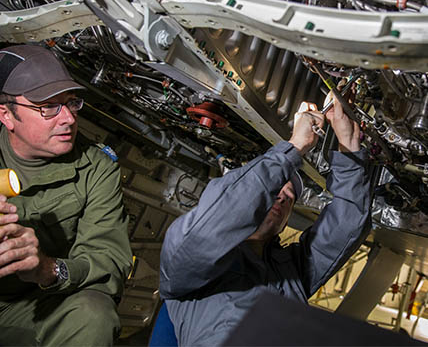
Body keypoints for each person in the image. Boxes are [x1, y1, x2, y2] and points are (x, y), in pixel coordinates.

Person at [159, 95, 372, 346]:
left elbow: (347, 224)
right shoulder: (186, 263)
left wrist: (348, 146)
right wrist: (295, 147)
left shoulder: (290, 270)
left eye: (289, 197)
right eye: (275, 190)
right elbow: (218, 219)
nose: (282, 197)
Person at [0, 45, 133, 346]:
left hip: (31, 309)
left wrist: (45, 269)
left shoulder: (95, 168)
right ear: (6, 115)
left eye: (71, 103)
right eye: (48, 107)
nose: (69, 119)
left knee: (93, 313)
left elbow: (107, 261)